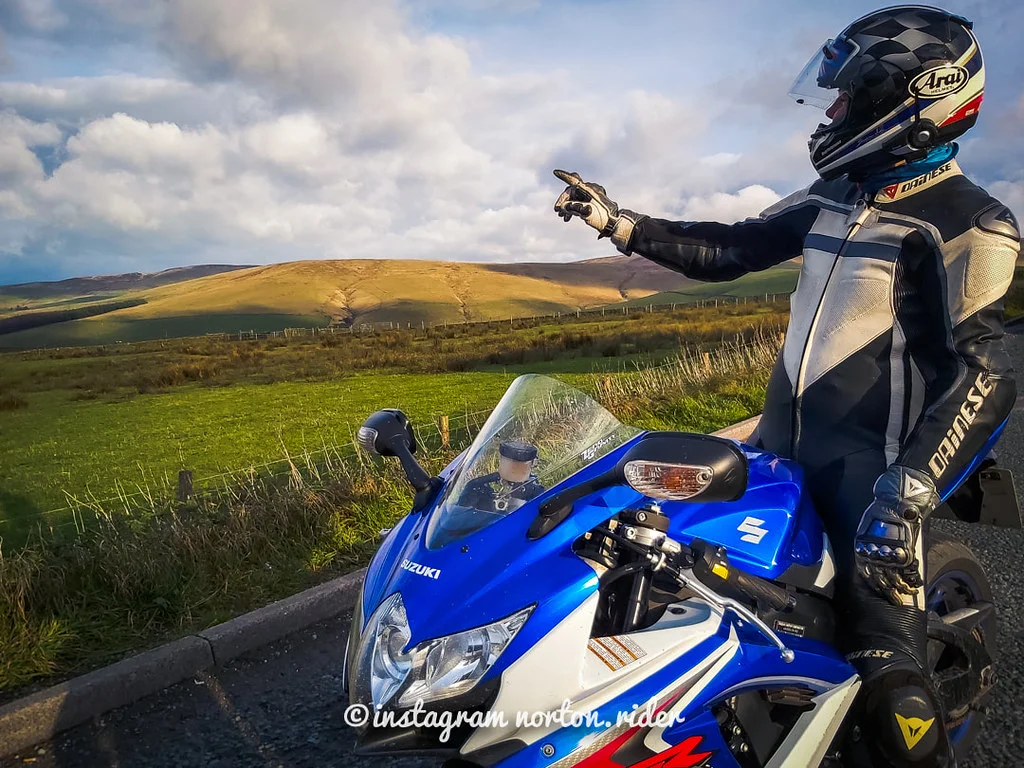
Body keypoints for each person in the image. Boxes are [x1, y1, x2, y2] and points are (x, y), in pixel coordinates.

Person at [552, 6, 1018, 767]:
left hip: (876, 480)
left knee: (888, 688)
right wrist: (619, 221)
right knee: (709, 611)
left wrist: (908, 492)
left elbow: (986, 369)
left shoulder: (970, 223)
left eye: (849, 96)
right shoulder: (835, 195)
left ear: (918, 100)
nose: (832, 112)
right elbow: (728, 248)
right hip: (777, 455)